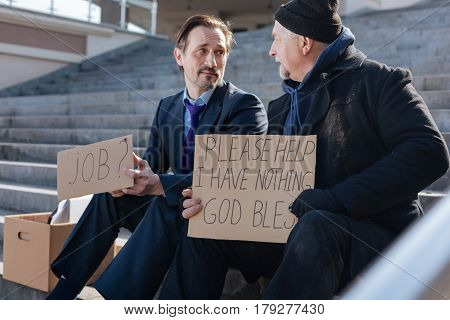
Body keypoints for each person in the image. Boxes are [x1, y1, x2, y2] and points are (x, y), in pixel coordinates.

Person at [158, 0, 450, 299]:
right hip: (295, 230)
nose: (271, 51)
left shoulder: (380, 81)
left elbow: (429, 152)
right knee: (205, 229)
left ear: (305, 42)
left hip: (374, 236)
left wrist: (336, 199)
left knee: (317, 223)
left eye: (276, 39)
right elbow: (262, 185)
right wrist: (213, 200)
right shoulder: (281, 107)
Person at [47, 14, 268, 299]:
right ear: (179, 56)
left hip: (219, 218)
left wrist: (159, 184)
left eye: (219, 52)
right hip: (178, 211)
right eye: (202, 51)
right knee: (111, 194)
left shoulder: (245, 107)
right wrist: (132, 175)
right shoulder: (167, 106)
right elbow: (155, 164)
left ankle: (112, 300)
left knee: (168, 205)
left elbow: (230, 179)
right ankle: (63, 294)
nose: (212, 62)